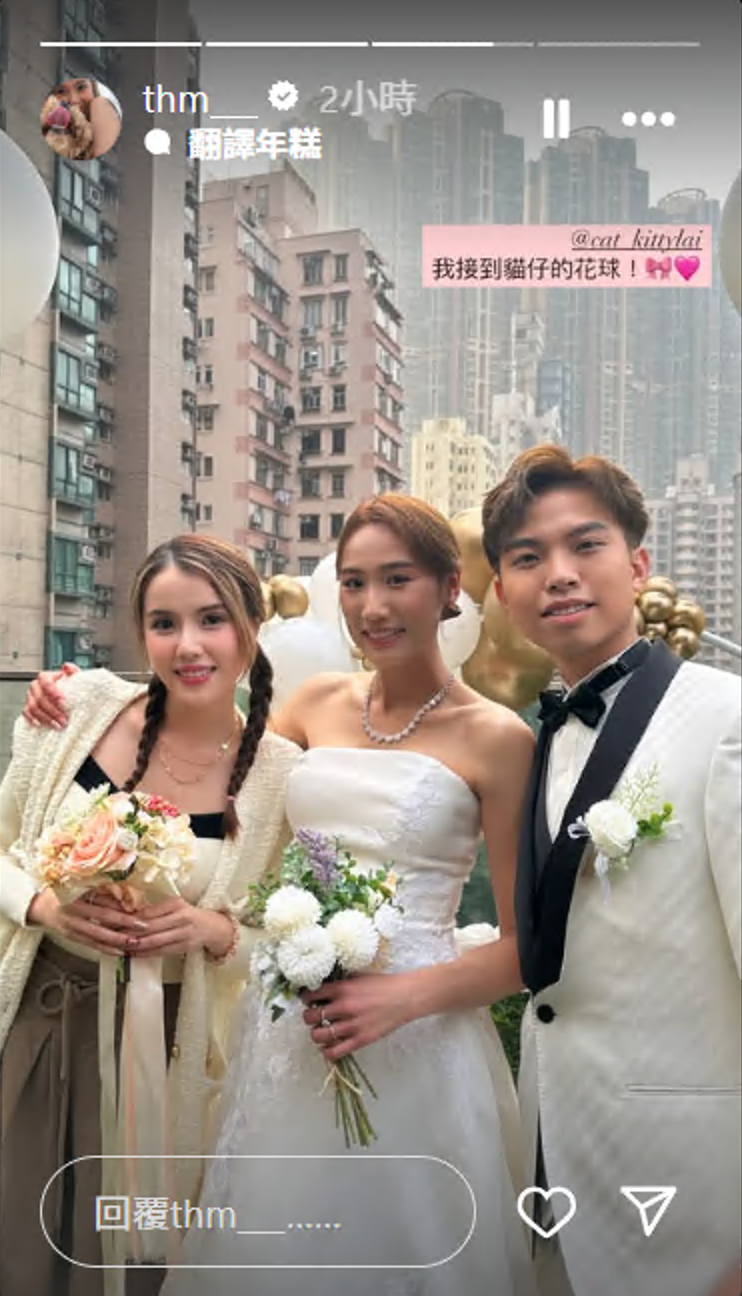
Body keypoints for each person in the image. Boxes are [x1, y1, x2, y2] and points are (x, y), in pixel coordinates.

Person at [26, 496, 540, 1295]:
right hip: (291, 1024)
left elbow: (523, 948)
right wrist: (76, 698)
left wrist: (400, 999)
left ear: (449, 589)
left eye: (397, 579)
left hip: (419, 1037)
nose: (373, 605)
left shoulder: (500, 738)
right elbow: (210, 757)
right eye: (355, 582)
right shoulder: (311, 705)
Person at [0, 535, 300, 1296]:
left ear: (252, 624)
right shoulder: (75, 711)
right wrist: (40, 904)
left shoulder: (280, 777)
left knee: (130, 1259)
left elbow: (284, 938)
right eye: (164, 623)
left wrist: (216, 932)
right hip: (37, 1019)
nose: (187, 645)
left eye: (212, 619)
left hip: (168, 1048)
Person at [481, 446, 741, 1296]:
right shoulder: (539, 736)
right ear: (503, 592)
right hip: (556, 1162)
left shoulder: (725, 719)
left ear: (637, 564)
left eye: (585, 545)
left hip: (693, 1183)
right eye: (528, 557)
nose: (558, 573)